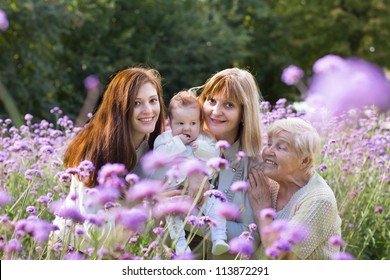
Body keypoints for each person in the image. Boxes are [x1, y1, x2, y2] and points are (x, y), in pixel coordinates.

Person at [51, 67, 166, 252]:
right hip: (72, 249)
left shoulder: (155, 147)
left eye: (153, 101)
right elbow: (94, 231)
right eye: (137, 103)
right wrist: (151, 208)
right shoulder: (94, 152)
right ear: (120, 107)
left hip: (115, 251)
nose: (148, 110)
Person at [189, 67, 265, 259]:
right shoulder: (185, 145)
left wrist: (186, 216)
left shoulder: (254, 165)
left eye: (229, 105)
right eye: (211, 100)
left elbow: (250, 237)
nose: (215, 111)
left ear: (243, 113)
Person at [248, 117, 342, 259]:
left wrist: (263, 211)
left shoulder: (319, 200)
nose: (267, 151)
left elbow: (281, 256)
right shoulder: (272, 182)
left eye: (280, 147)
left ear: (304, 161)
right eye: (269, 143)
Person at [153, 90, 229, 255]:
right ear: (170, 123)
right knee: (172, 217)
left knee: (216, 205)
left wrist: (201, 148)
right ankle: (181, 247)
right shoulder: (165, 139)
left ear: (200, 123)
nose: (186, 128)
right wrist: (178, 143)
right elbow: (159, 156)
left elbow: (215, 156)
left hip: (203, 191)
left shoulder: (205, 139)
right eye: (180, 124)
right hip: (174, 190)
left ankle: (219, 237)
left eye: (193, 123)